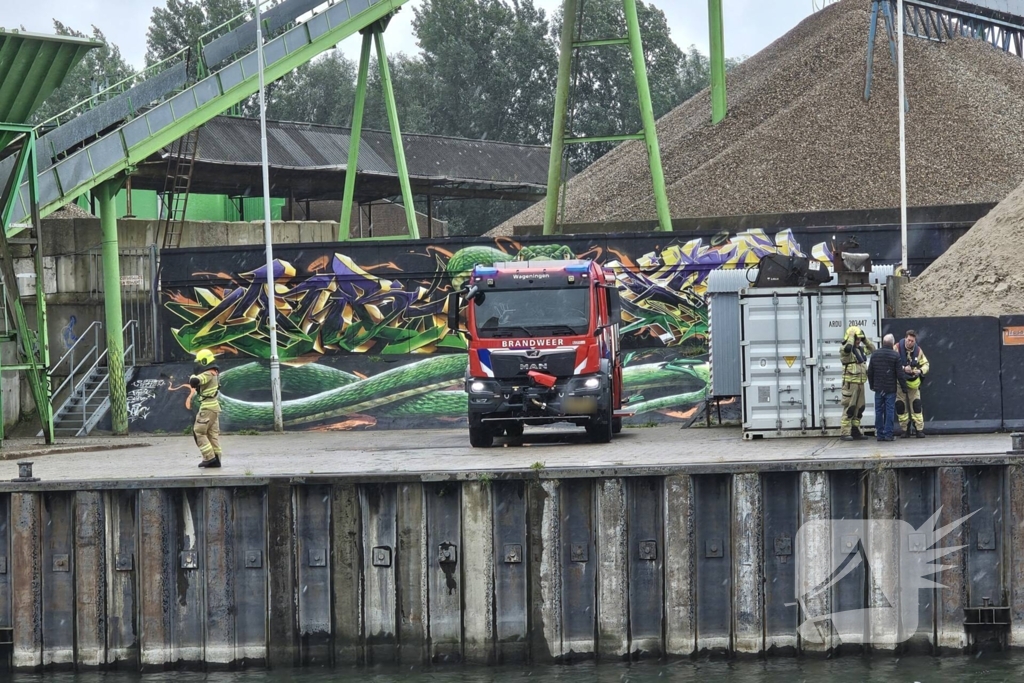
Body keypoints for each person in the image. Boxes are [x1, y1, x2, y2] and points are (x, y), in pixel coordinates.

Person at [867, 334, 908, 442]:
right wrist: (904, 388)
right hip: (890, 389)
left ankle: (880, 435)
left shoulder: (875, 354)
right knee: (890, 410)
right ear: (892, 344)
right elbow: (900, 374)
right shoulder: (895, 355)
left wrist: (872, 385)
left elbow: (870, 371)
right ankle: (888, 434)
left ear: (883, 342)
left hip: (878, 388)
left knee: (878, 411)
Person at [839, 325, 875, 441]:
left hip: (860, 384)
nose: (858, 341)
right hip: (850, 385)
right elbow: (848, 348)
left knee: (859, 408)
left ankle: (855, 430)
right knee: (849, 408)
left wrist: (865, 339)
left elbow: (873, 349)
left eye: (860, 339)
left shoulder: (860, 350)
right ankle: (845, 432)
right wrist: (851, 336)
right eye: (857, 339)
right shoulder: (845, 350)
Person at [190, 349, 223, 468]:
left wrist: (193, 376)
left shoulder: (208, 373)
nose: (197, 365)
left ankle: (210, 458)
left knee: (198, 431)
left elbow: (195, 381)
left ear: (204, 361)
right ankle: (217, 459)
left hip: (208, 407)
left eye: (199, 362)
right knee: (211, 434)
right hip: (213, 407)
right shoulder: (214, 372)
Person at [896, 330, 930, 438]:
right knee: (900, 406)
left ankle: (919, 429)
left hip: (913, 383)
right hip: (899, 382)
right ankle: (904, 429)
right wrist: (903, 368)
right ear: (905, 338)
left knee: (916, 405)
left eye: (912, 341)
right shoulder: (896, 348)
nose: (910, 343)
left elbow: (926, 364)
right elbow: (892, 363)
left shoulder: (918, 351)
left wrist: (920, 371)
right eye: (908, 340)